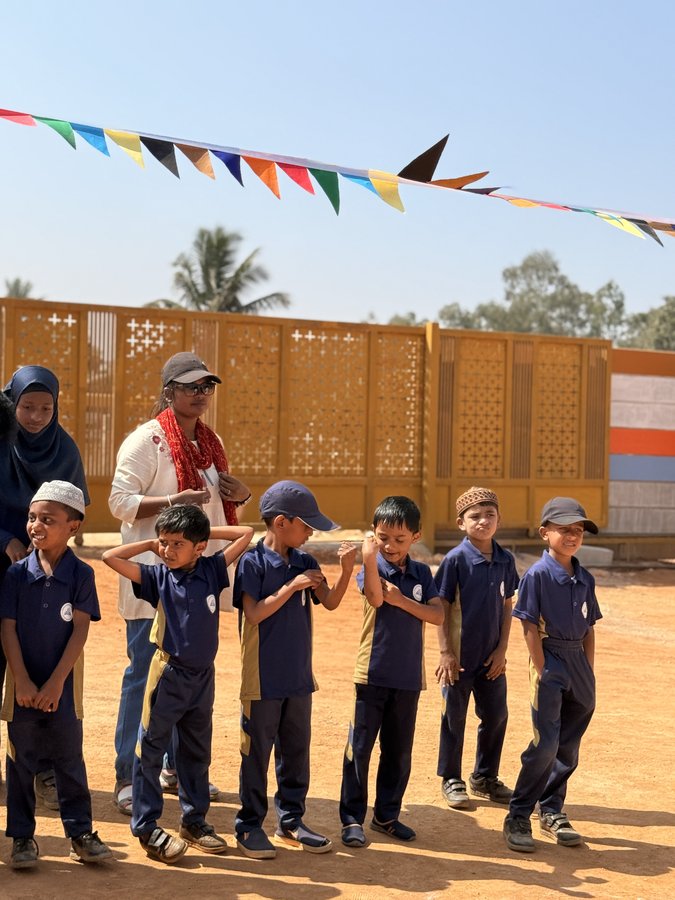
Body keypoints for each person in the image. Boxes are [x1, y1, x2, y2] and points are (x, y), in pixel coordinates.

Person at [108, 351, 251, 815]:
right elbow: (119, 502)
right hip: (156, 579)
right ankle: (129, 777)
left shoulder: (210, 443)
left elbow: (215, 517)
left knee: (189, 678)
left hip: (199, 584)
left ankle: (173, 769)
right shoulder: (146, 440)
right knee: (145, 678)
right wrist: (174, 499)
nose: (200, 394)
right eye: (191, 387)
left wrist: (241, 497)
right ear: (168, 391)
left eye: (207, 387)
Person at [103, 504, 254, 864]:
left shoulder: (212, 570)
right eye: (164, 542)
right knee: (150, 749)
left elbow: (245, 534)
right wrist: (148, 545)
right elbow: (110, 556)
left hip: (203, 678)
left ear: (199, 547)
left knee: (196, 750)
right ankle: (146, 826)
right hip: (168, 676)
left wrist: (204, 533)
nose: (168, 550)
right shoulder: (157, 577)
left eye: (176, 544)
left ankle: (194, 821)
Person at [234, 480, 356, 860]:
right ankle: (249, 825)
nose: (311, 533)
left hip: (299, 678)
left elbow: (331, 602)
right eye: (306, 526)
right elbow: (253, 614)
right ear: (281, 522)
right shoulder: (252, 562)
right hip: (262, 679)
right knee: (256, 754)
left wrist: (347, 570)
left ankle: (290, 821)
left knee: (296, 752)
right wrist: (292, 587)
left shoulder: (305, 561)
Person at [0, 480, 112, 869]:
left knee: (69, 759)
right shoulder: (15, 575)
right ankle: (21, 837)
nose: (36, 526)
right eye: (32, 518)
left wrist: (55, 683)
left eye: (47, 519)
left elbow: (79, 629)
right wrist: (25, 681)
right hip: (23, 690)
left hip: (62, 689)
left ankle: (80, 832)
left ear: (74, 526)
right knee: (20, 763)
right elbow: (8, 629)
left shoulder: (81, 575)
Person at [0, 365, 90, 810]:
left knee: (47, 661)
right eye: (27, 406)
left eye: (46, 407)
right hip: (3, 562)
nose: (35, 416)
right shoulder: (0, 439)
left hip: (47, 572)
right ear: (12, 403)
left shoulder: (65, 449)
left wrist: (44, 547)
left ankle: (47, 771)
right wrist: (6, 539)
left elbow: (74, 508)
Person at [339, 496, 444, 848]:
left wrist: (403, 601)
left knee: (398, 751)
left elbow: (438, 615)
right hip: (371, 673)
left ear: (415, 536)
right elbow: (375, 597)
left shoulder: (421, 574)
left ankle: (386, 815)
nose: (391, 546)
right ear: (373, 534)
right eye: (383, 538)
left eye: (400, 540)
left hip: (408, 678)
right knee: (360, 748)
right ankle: (351, 819)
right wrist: (368, 558)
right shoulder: (371, 568)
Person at [503, 497, 602, 853]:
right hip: (551, 658)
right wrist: (543, 668)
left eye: (578, 531)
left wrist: (587, 670)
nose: (572, 536)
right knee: (545, 744)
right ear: (545, 533)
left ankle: (551, 809)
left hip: (579, 663)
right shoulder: (537, 576)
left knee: (568, 747)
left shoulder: (585, 577)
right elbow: (528, 624)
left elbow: (590, 627)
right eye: (564, 530)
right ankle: (517, 813)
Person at [434, 487, 518, 809]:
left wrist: (502, 649)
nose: (483, 521)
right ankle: (451, 777)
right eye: (475, 516)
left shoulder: (505, 560)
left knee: (496, 716)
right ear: (461, 523)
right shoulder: (455, 560)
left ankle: (485, 777)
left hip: (492, 658)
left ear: (498, 519)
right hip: (460, 657)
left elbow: (508, 604)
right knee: (453, 717)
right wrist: (446, 652)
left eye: (490, 515)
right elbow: (440, 604)